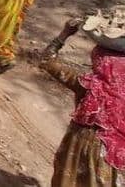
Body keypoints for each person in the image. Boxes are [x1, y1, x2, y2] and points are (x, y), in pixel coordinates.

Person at [38, 15, 125, 186]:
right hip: (116, 155)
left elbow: (46, 60)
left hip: (81, 144)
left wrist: (64, 34)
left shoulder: (88, 84)